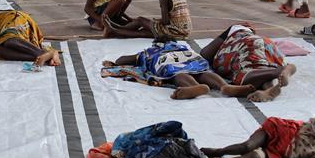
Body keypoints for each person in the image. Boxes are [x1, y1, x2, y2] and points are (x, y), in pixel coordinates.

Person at [101, 41, 255, 100]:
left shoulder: (147, 53)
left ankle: (192, 87)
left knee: (178, 73)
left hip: (169, 63)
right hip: (188, 57)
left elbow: (122, 60)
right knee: (202, 71)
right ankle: (224, 86)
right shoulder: (181, 46)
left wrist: (133, 58)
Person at [199, 23, 295, 102]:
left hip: (249, 44)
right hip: (267, 45)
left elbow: (205, 54)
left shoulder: (236, 30)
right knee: (260, 67)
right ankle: (268, 88)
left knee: (242, 72)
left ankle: (278, 71)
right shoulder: (256, 37)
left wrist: (226, 34)